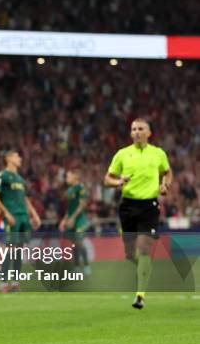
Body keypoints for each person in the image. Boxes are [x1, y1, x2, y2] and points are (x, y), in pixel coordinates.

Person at [104, 118, 172, 309]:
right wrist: (119, 182)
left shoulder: (158, 153)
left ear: (149, 133)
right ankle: (145, 268)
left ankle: (140, 295)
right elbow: (107, 179)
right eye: (133, 129)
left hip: (149, 206)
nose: (137, 132)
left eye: (141, 129)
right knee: (130, 254)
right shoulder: (122, 154)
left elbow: (167, 172)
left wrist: (165, 184)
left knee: (144, 248)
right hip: (127, 206)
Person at [0, 150, 41, 292]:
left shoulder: (19, 179)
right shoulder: (3, 175)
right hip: (12, 217)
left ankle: (15, 282)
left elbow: (25, 199)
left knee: (19, 250)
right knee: (9, 249)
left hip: (23, 217)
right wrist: (6, 212)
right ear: (9, 159)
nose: (20, 158)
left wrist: (34, 214)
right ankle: (3, 283)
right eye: (17, 156)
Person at [59, 169, 90, 274]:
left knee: (79, 242)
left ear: (75, 177)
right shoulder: (69, 190)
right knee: (74, 244)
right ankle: (76, 265)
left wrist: (72, 218)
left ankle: (86, 265)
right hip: (71, 220)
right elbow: (70, 208)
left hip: (79, 220)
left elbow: (81, 205)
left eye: (68, 176)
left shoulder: (81, 188)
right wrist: (64, 219)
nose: (66, 178)